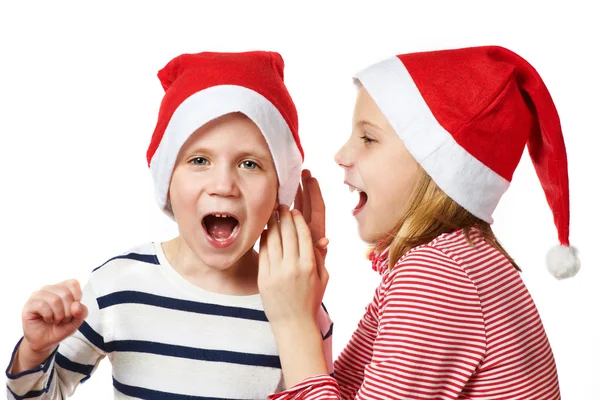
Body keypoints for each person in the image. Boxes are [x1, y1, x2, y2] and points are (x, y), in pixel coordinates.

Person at [5, 51, 333, 399]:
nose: (223, 184)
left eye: (250, 164)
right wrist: (34, 351)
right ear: (167, 182)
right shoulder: (119, 286)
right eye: (199, 160)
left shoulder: (297, 305)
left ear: (280, 189)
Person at [258, 45, 580, 400]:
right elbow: (344, 390)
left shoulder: (438, 275)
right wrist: (305, 301)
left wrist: (293, 322)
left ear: (437, 168)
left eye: (368, 138)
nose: (342, 155)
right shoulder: (458, 261)